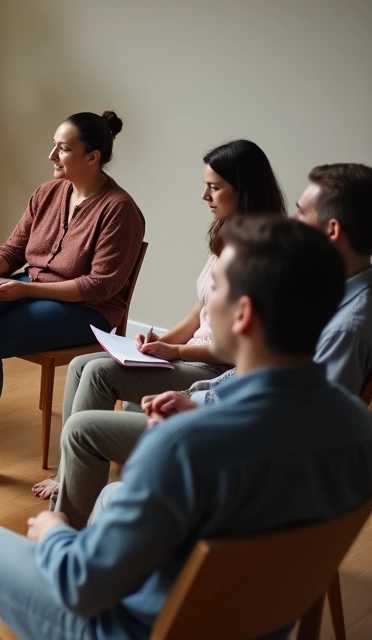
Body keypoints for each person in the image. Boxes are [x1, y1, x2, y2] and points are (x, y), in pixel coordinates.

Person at [0, 216, 372, 640]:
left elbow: (82, 587)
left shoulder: (181, 446)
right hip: (247, 627)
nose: (206, 299)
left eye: (216, 286)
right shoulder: (358, 428)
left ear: (244, 314)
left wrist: (54, 534)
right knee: (110, 495)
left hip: (127, 627)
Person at [46, 162, 372, 528]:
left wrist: (198, 410)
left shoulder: (345, 324)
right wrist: (198, 395)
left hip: (232, 454)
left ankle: (62, 538)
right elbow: (274, 386)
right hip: (223, 416)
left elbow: (300, 429)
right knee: (100, 400)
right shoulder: (330, 293)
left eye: (301, 211)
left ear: (332, 230)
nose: (293, 221)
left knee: (86, 435)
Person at [31, 139, 286, 501]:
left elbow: (239, 349)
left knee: (100, 373)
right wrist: (160, 343)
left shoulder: (262, 252)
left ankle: (72, 494)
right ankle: (67, 472)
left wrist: (176, 351)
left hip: (214, 366)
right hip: (192, 352)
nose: (204, 196)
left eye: (214, 187)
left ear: (244, 190)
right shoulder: (229, 235)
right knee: (79, 365)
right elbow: (201, 310)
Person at [0, 111, 145, 489]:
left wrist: (25, 289)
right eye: (53, 145)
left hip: (87, 311)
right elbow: (14, 248)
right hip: (30, 289)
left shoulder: (119, 210)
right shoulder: (47, 193)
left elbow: (99, 286)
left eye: (63, 149)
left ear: (93, 156)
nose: (52, 155)